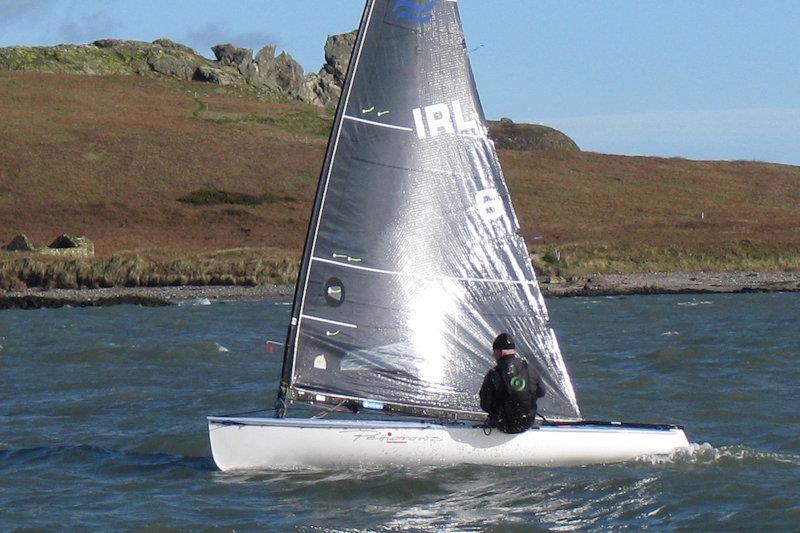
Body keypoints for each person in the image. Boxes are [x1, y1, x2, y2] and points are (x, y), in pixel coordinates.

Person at [479, 333, 545, 433]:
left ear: (500, 353)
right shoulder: (529, 368)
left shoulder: (494, 373)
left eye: (494, 352)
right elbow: (541, 392)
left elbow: (485, 405)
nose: (493, 356)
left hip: (506, 425)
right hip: (528, 422)